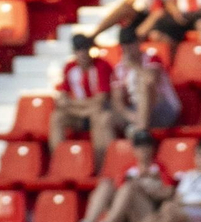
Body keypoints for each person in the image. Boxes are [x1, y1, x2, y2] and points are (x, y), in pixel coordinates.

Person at [50, 34, 115, 168]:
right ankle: (58, 163)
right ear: (74, 52)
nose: (83, 54)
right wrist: (81, 107)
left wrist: (73, 105)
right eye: (79, 50)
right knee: (57, 117)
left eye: (85, 50)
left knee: (98, 115)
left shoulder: (101, 66)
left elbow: (102, 99)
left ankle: (101, 166)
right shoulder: (69, 68)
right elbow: (62, 98)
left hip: (96, 112)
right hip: (81, 113)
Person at [110, 27, 181, 138]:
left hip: (163, 108)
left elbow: (151, 80)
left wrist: (134, 65)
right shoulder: (119, 68)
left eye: (131, 43)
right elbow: (117, 100)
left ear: (138, 42)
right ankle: (111, 153)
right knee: (105, 117)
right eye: (125, 44)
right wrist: (131, 116)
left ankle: (141, 132)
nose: (128, 48)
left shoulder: (152, 58)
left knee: (144, 85)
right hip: (136, 111)